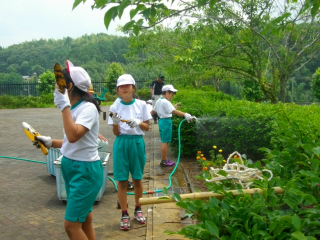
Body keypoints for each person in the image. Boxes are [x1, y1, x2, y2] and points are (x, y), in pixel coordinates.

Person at [33, 60, 103, 239]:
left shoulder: (88, 108)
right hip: (73, 168)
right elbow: (69, 142)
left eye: (59, 84)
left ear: (69, 86)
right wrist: (50, 142)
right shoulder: (74, 108)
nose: (56, 87)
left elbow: (73, 136)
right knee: (84, 218)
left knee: (71, 225)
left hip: (84, 172)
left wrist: (64, 106)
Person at [108, 74, 152, 231]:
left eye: (127, 85)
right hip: (121, 143)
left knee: (138, 179)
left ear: (134, 88)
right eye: (121, 86)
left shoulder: (141, 105)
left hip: (137, 142)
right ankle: (124, 214)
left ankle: (138, 209)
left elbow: (147, 127)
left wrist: (139, 123)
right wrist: (115, 123)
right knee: (121, 180)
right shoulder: (115, 106)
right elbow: (116, 133)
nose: (124, 88)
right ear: (118, 90)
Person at [151, 84, 197, 167]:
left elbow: (153, 111)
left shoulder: (159, 101)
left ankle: (165, 158)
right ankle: (164, 161)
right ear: (167, 92)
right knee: (165, 142)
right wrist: (185, 114)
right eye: (172, 94)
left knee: (163, 141)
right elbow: (174, 111)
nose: (172, 96)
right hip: (166, 122)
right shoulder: (166, 102)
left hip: (161, 121)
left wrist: (144, 118)